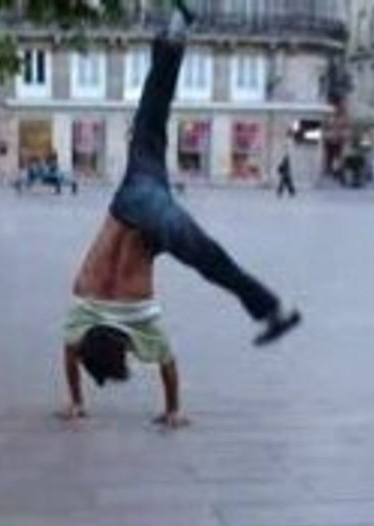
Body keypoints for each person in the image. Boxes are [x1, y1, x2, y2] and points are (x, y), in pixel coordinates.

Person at [59, 0, 300, 428]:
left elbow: (165, 362)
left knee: (212, 261)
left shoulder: (138, 318)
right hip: (136, 192)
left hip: (150, 211)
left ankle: (274, 310)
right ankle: (175, 27)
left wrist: (167, 411)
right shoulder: (81, 305)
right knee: (153, 109)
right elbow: (72, 352)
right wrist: (166, 409)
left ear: (120, 348)